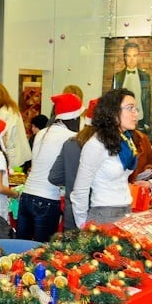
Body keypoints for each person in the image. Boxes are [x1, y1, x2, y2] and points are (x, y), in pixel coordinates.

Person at [17, 93, 83, 241]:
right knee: (42, 252)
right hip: (47, 199)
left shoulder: (41, 133)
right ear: (74, 117)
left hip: (26, 195)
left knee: (21, 248)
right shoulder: (71, 137)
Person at [71, 90, 139, 226]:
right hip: (104, 214)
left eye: (136, 108)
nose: (136, 114)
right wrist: (82, 226)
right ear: (113, 112)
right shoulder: (96, 144)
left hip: (126, 210)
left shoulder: (125, 140)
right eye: (130, 108)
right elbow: (80, 190)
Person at [49, 98, 98, 230]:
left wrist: (72, 179)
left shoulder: (71, 143)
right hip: (98, 213)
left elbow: (54, 177)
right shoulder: (107, 147)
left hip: (72, 212)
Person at [0, 82, 31, 169]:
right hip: (15, 155)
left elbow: (6, 138)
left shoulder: (5, 113)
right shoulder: (10, 109)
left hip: (12, 157)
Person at [112, 42, 151, 134]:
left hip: (140, 119)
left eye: (134, 56)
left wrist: (147, 122)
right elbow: (113, 100)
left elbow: (147, 99)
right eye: (128, 56)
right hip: (122, 119)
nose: (132, 59)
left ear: (138, 57)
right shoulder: (117, 77)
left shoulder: (145, 77)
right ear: (124, 57)